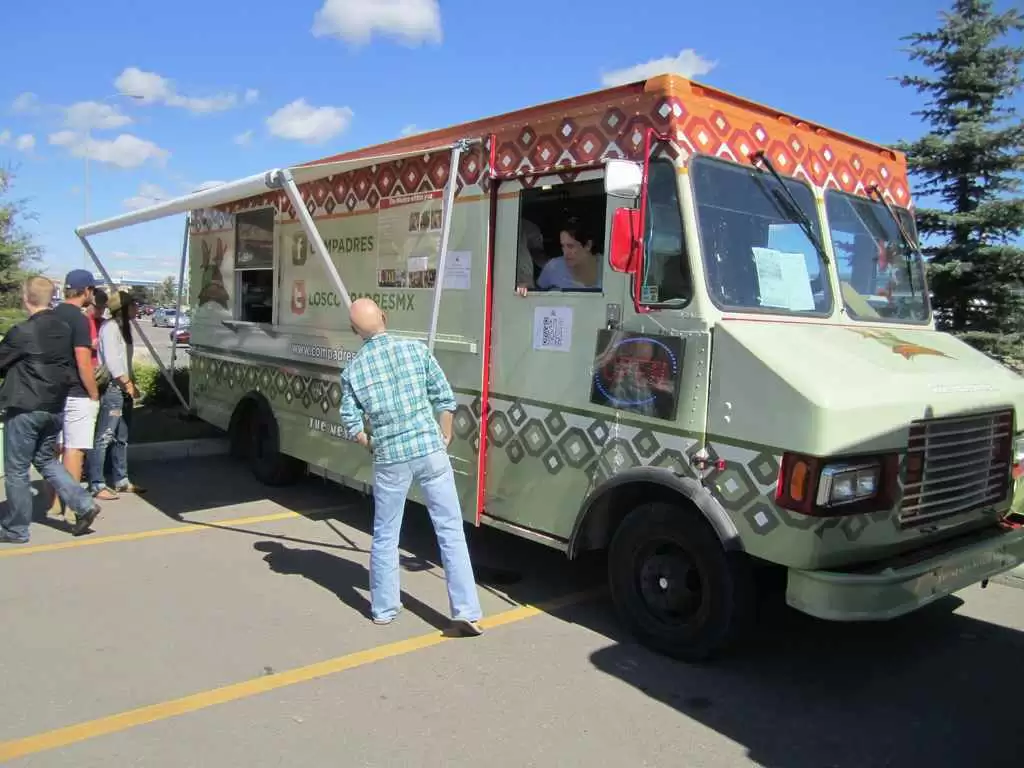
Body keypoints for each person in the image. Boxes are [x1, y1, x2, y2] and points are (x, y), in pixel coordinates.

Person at [340, 298, 483, 636]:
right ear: (384, 318)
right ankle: (466, 612)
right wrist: (444, 433)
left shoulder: (353, 370)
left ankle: (384, 609)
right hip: (429, 450)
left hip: (391, 457)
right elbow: (444, 397)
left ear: (354, 331)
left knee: (386, 534)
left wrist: (368, 441)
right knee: (450, 530)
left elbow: (351, 419)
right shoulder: (415, 350)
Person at [0, 277, 102, 542]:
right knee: (45, 460)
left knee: (17, 469)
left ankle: (16, 528)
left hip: (24, 407)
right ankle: (83, 504)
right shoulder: (65, 329)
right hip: (55, 406)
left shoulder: (22, 332)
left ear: (25, 298)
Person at [86, 291, 145, 500]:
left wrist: (131, 383)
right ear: (123, 307)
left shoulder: (124, 328)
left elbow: (125, 361)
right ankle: (96, 482)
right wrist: (127, 383)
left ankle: (121, 480)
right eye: (134, 305)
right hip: (114, 388)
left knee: (122, 438)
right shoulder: (110, 328)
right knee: (104, 437)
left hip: (124, 388)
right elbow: (112, 361)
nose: (137, 308)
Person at [52, 270, 101, 502]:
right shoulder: (78, 319)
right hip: (76, 392)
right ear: (87, 290)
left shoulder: (52, 315)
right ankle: (74, 505)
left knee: (56, 447)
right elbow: (83, 362)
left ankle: (53, 501)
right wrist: (93, 394)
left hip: (53, 391)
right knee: (75, 449)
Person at [533, 217, 602, 292]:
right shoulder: (553, 267)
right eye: (563, 246)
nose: (565, 252)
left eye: (571, 246)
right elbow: (537, 295)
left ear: (588, 245)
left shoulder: (608, 267)